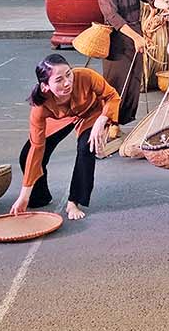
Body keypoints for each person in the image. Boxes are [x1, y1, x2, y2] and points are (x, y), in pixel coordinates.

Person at [11, 54, 117, 221]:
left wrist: (102, 120)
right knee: (27, 154)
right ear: (45, 86)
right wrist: (24, 194)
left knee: (86, 147)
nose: (67, 82)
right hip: (61, 119)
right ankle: (39, 197)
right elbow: (36, 148)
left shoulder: (86, 76)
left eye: (69, 74)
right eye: (59, 79)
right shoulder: (39, 108)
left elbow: (112, 96)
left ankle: (74, 201)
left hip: (93, 114)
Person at [96, 0, 169, 124]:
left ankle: (123, 123)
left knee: (134, 81)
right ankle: (109, 124)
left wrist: (165, 5)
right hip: (118, 40)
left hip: (135, 35)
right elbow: (112, 16)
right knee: (117, 82)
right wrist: (137, 37)